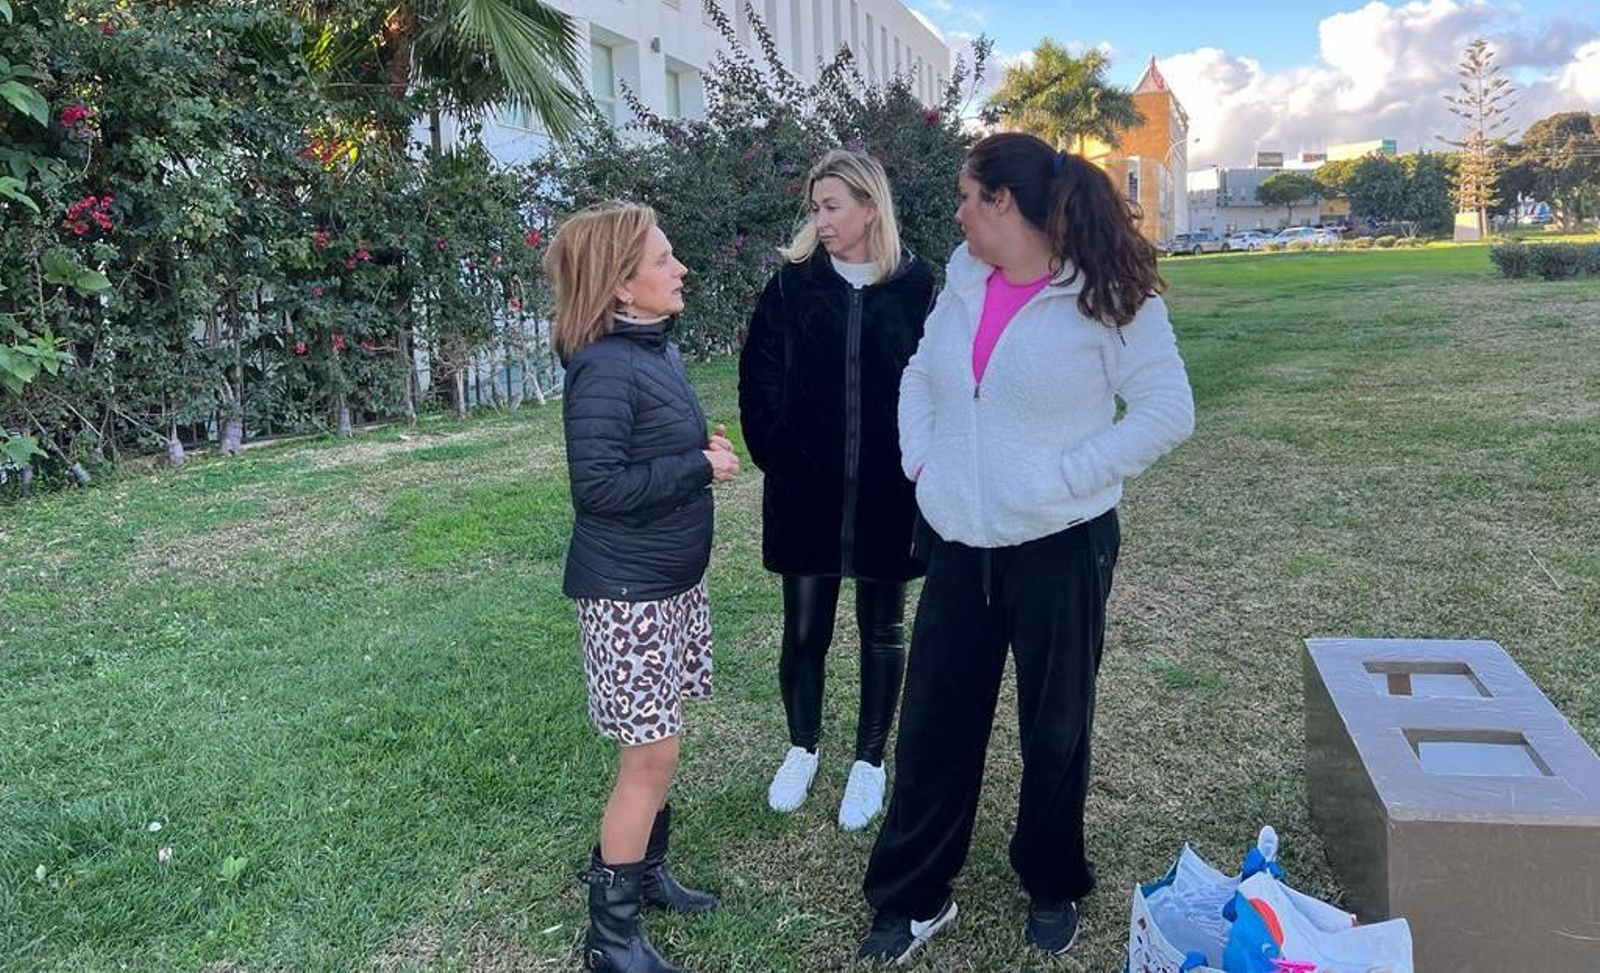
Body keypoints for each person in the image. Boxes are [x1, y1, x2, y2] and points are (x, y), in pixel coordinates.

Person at [855, 133, 1196, 964]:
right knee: (935, 723)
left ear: (1004, 202)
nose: (958, 213)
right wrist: (921, 461)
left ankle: (1051, 880)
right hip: (960, 539)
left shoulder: (1108, 292)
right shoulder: (964, 279)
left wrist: (1071, 475)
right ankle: (913, 895)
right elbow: (919, 377)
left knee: (1055, 726)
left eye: (969, 196)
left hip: (1061, 543)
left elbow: (1166, 410)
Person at [546, 201, 740, 973]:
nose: (680, 267)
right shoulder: (601, 367)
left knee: (660, 743)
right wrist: (698, 466)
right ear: (621, 287)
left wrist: (698, 448)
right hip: (628, 597)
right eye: (663, 259)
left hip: (667, 586)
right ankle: (611, 936)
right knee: (648, 758)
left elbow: (646, 453)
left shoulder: (654, 351)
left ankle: (646, 871)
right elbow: (597, 487)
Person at [738, 149, 935, 831]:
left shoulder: (915, 286)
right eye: (815, 207)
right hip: (807, 495)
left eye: (833, 206)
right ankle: (802, 747)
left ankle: (869, 760)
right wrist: (780, 452)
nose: (820, 220)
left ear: (869, 208)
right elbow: (758, 376)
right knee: (804, 631)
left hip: (889, 493)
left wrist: (920, 463)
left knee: (884, 631)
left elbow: (933, 379)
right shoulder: (792, 286)